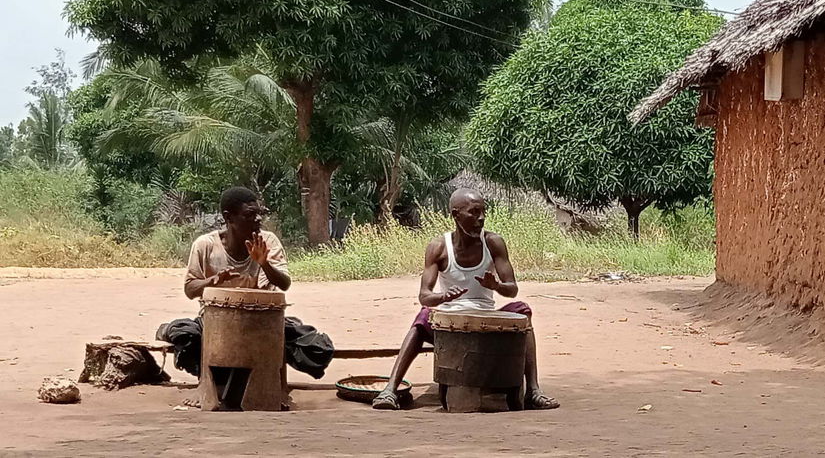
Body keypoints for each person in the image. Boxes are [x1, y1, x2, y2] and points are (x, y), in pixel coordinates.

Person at [372, 188, 559, 410]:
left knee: (523, 312)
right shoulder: (439, 247)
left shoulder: (493, 242)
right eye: (473, 213)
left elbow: (512, 289)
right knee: (422, 318)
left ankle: (533, 390)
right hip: (450, 320)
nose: (480, 219)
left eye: (483, 212)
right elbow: (424, 296)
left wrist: (497, 286)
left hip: (487, 319)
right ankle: (390, 390)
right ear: (455, 215)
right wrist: (442, 296)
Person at [158, 187, 333, 381]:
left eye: (259, 214)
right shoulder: (205, 245)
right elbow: (190, 289)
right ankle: (210, 372)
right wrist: (212, 281)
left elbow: (284, 284)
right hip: (216, 324)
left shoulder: (268, 241)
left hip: (263, 322)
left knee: (318, 348)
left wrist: (264, 263)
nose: (258, 219)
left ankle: (252, 377)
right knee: (185, 336)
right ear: (229, 217)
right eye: (250, 215)